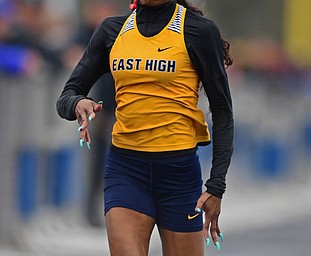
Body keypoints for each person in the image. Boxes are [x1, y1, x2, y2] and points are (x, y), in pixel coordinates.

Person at [56, 0, 234, 255]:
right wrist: (77, 103)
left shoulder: (198, 30)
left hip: (178, 175)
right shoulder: (112, 30)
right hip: (125, 170)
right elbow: (66, 95)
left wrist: (216, 186)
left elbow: (223, 112)